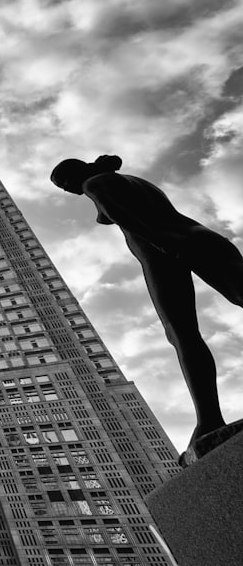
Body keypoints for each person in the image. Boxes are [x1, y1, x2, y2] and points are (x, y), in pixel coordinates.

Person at [50, 154, 243, 465]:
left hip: (164, 252)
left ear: (77, 174)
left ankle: (209, 419)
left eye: (65, 183)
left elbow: (120, 214)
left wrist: (163, 244)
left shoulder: (94, 183)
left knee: (182, 334)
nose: (70, 191)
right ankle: (208, 419)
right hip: (202, 236)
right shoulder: (132, 181)